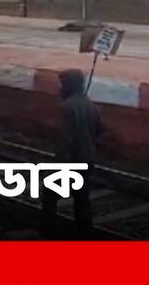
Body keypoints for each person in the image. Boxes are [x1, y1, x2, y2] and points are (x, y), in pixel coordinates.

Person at [41, 69, 103, 239]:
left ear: (68, 86)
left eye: (62, 84)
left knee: (48, 194)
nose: (60, 88)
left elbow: (65, 140)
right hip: (87, 161)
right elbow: (99, 131)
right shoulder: (92, 106)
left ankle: (48, 232)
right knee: (82, 202)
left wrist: (58, 167)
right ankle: (85, 234)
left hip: (69, 163)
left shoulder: (66, 108)